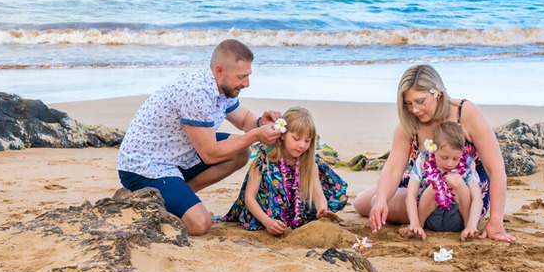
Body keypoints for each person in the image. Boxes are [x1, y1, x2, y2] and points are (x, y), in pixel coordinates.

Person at [117, 39, 282, 236]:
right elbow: (210, 155)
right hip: (146, 165)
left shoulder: (222, 88)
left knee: (240, 153)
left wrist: (260, 122)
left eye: (248, 75)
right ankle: (148, 204)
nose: (246, 83)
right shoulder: (196, 92)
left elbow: (245, 119)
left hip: (179, 154)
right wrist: (256, 135)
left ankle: (180, 196)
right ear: (219, 70)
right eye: (242, 76)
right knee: (200, 224)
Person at [353, 64, 516, 242]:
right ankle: (387, 198)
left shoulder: (466, 113)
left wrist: (496, 220)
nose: (415, 110)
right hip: (423, 183)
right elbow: (393, 168)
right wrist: (382, 200)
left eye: (420, 101)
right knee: (364, 203)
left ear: (438, 92)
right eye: (408, 104)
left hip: (465, 192)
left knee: (376, 200)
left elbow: (496, 169)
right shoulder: (409, 124)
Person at [221, 106, 349, 233]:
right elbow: (249, 197)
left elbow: (318, 195)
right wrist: (267, 222)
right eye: (296, 139)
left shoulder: (310, 164)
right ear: (282, 135)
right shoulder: (264, 161)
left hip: (295, 213)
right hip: (265, 213)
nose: (302, 145)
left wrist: (322, 210)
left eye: (307, 141)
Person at [400, 120, 483, 241]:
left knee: (454, 180)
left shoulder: (468, 163)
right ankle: (418, 228)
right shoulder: (423, 160)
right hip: (430, 216)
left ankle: (467, 229)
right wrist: (415, 222)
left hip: (457, 218)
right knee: (437, 184)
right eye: (444, 157)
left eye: (456, 158)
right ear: (434, 149)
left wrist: (472, 224)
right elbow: (411, 195)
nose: (450, 164)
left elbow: (477, 197)